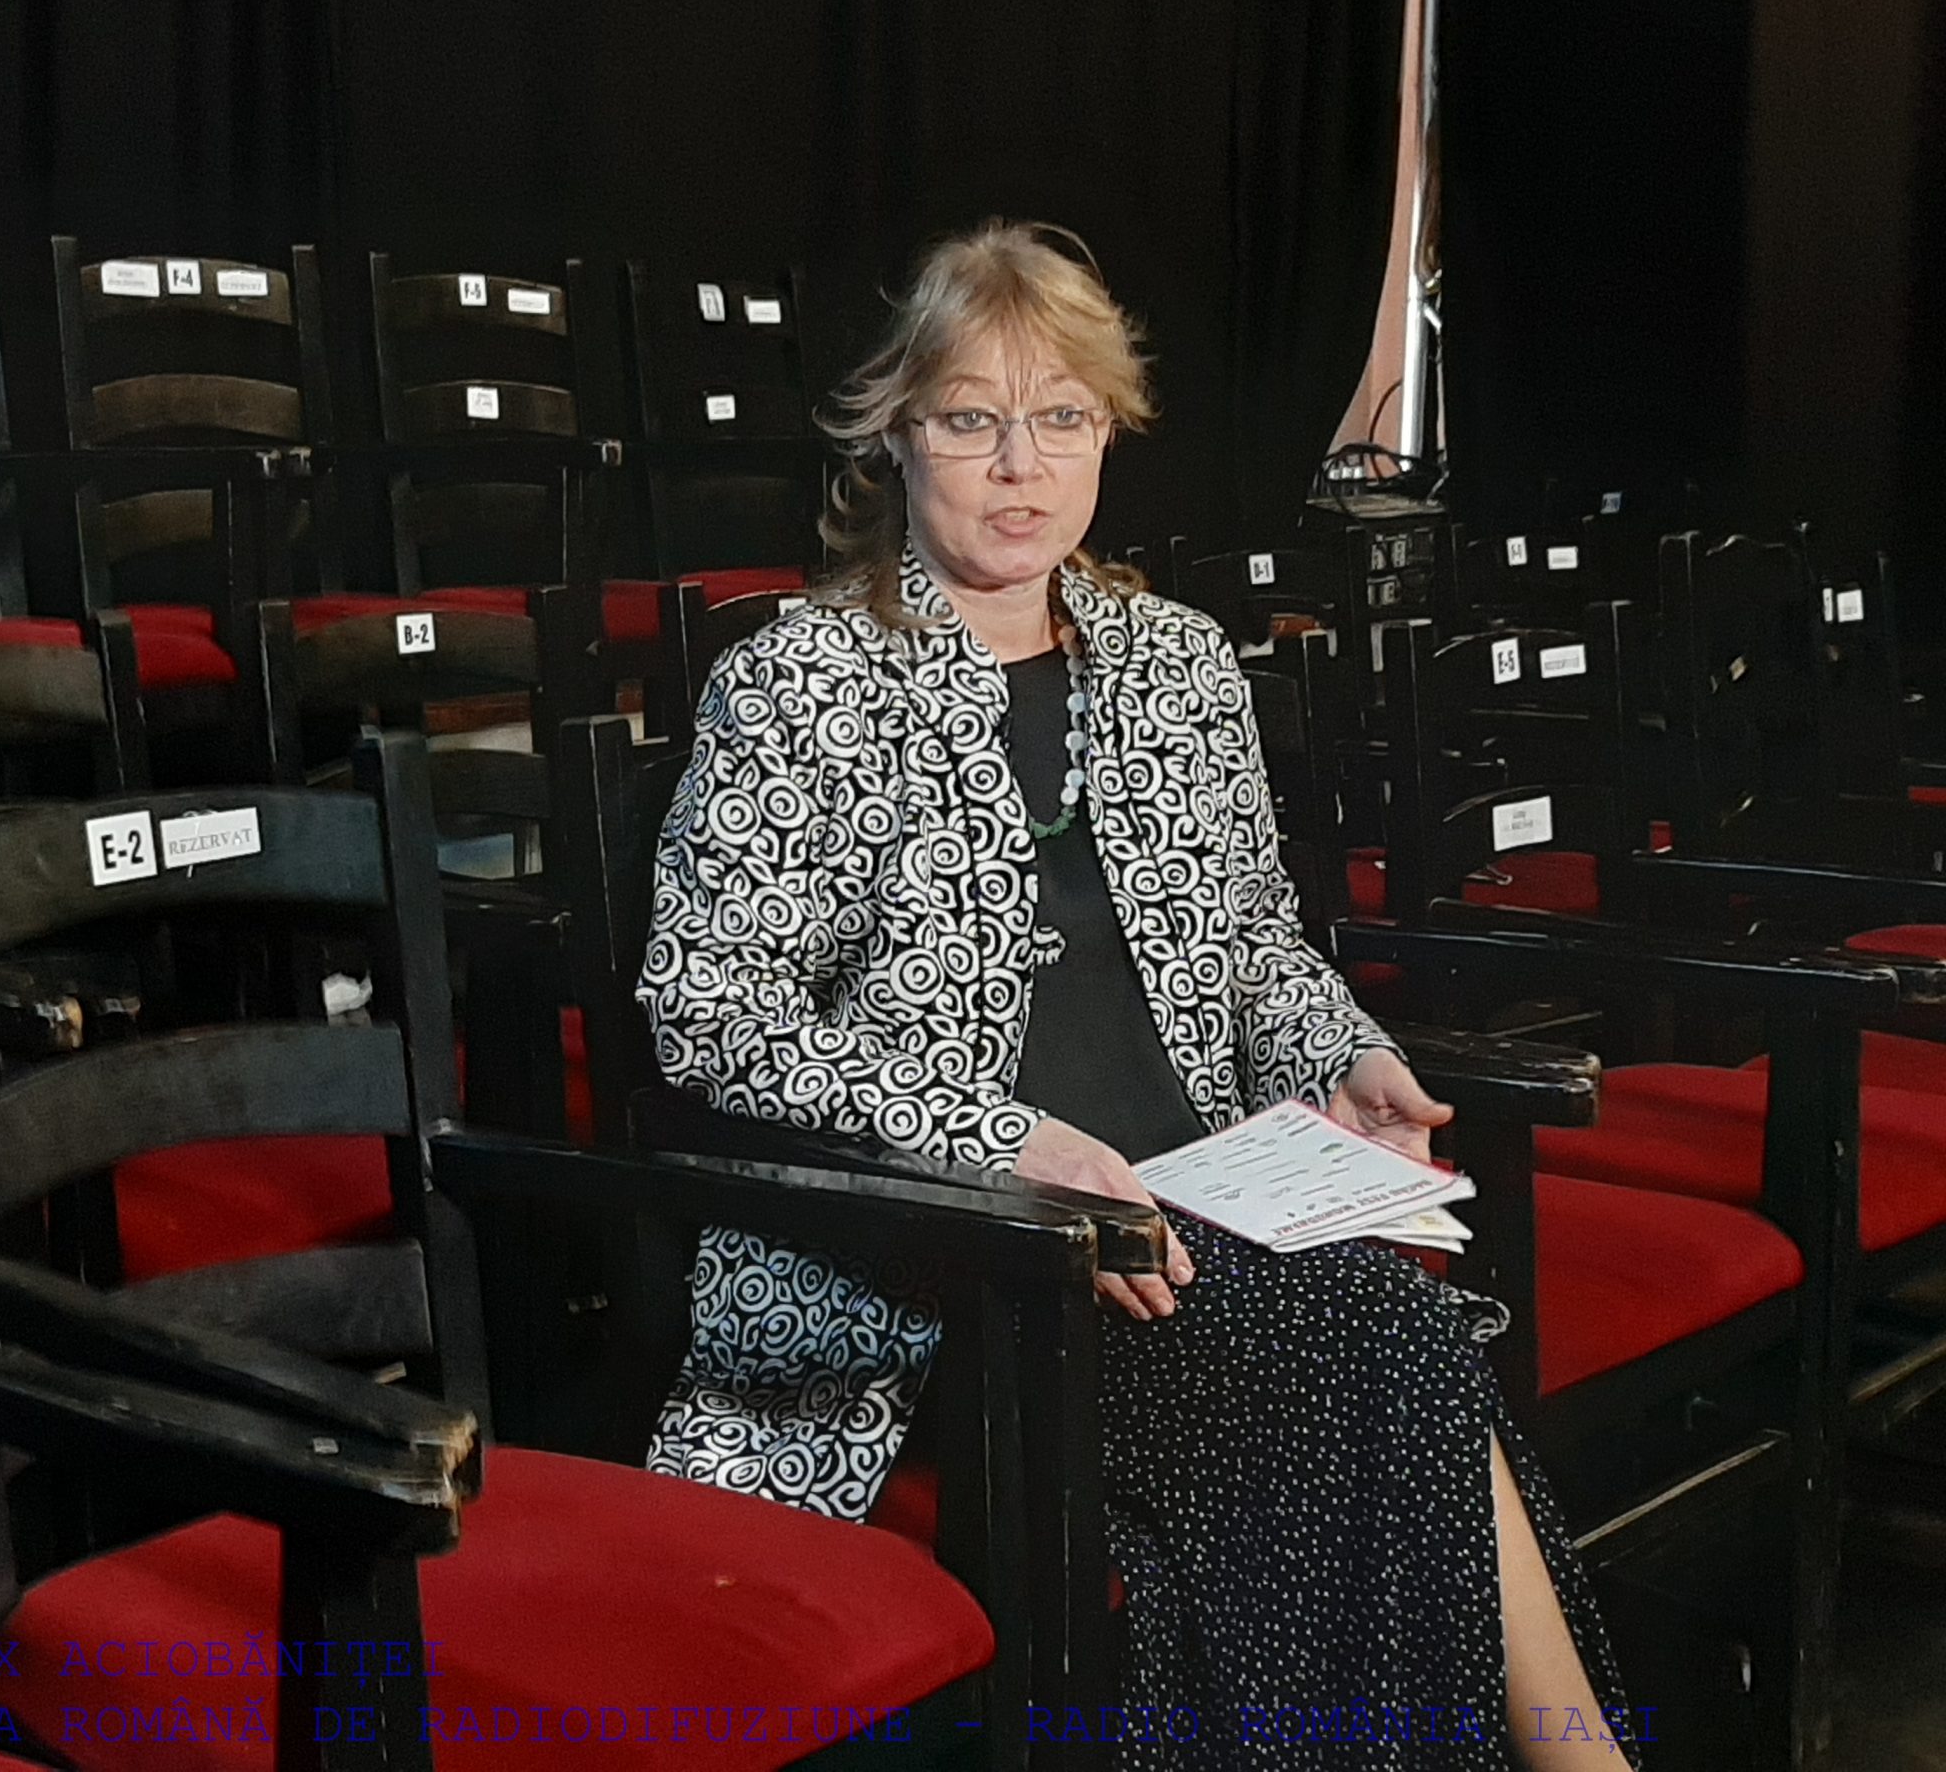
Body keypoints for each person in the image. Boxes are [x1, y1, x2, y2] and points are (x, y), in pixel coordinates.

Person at [637, 221, 1637, 1768]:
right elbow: (710, 1013)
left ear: (1109, 432)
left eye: (1062, 418)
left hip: (1198, 1208)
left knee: (1389, 1355)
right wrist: (995, 1138)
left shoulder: (1177, 660)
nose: (1018, 466)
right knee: (1392, 1348)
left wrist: (1342, 1053)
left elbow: (1252, 942)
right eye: (970, 419)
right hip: (943, 1261)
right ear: (897, 434)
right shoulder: (800, 678)